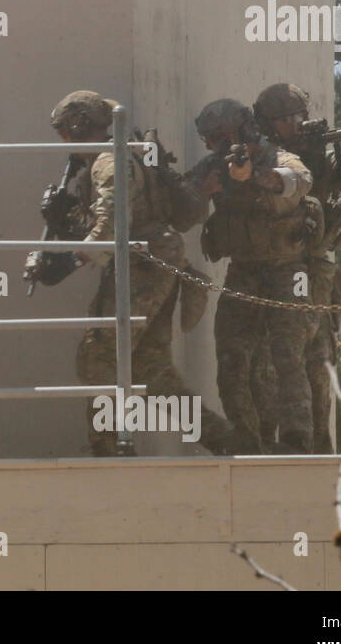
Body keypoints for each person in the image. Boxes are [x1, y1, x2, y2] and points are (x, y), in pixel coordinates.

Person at [25, 91, 238, 455]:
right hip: (150, 261)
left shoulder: (108, 162)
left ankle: (110, 449)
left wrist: (69, 261)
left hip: (144, 263)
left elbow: (111, 226)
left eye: (63, 132)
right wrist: (65, 218)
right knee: (150, 368)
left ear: (75, 129)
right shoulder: (113, 159)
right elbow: (109, 223)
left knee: (99, 357)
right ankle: (230, 443)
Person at [250, 83, 341, 453]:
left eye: (298, 116)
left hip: (317, 272)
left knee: (317, 362)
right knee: (271, 364)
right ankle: (276, 442)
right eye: (284, 119)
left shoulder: (327, 159)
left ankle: (314, 445)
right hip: (272, 272)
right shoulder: (266, 160)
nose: (295, 124)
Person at [190, 98, 316, 454]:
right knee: (231, 357)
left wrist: (260, 178)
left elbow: (299, 179)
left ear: (244, 129)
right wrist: (202, 192)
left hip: (287, 269)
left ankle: (296, 441)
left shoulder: (275, 156)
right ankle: (246, 441)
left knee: (288, 355)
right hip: (243, 271)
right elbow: (181, 206)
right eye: (210, 140)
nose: (217, 145)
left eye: (223, 137)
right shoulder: (212, 167)